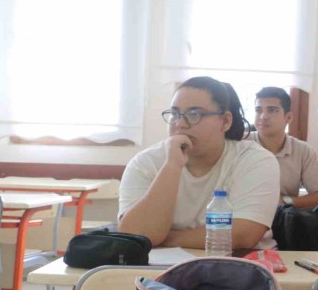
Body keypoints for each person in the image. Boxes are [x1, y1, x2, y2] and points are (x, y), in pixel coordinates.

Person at [118, 77, 279, 249]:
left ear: (225, 121)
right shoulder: (145, 162)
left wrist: (160, 239)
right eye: (175, 114)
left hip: (240, 261)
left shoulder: (254, 159)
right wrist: (172, 165)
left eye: (195, 114)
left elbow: (243, 235)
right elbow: (132, 235)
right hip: (161, 265)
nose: (180, 124)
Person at [249, 86, 318, 209]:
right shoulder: (241, 144)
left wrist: (284, 200)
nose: (263, 116)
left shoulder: (303, 151)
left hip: (282, 216)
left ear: (288, 117)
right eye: (258, 110)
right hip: (241, 215)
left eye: (272, 110)